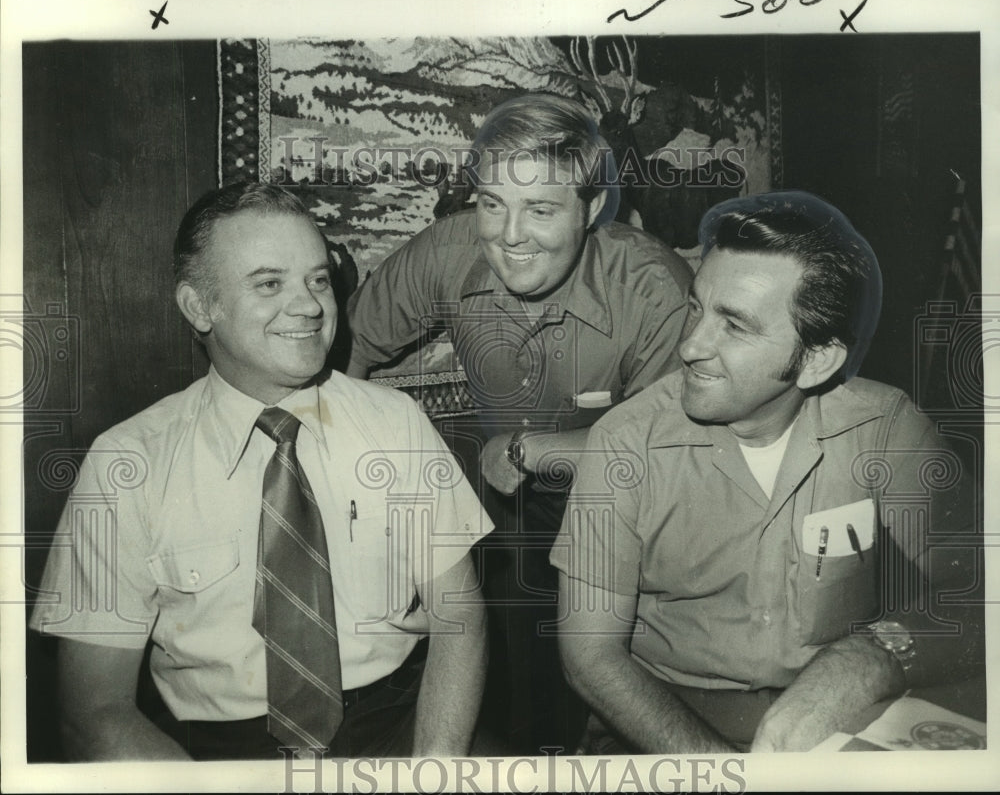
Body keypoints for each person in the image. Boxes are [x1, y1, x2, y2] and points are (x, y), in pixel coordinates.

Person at [29, 182, 491, 761]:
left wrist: (434, 770)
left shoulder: (395, 422)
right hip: (218, 757)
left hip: (400, 728)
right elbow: (94, 714)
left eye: (317, 279)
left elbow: (460, 615)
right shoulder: (126, 463)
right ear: (201, 307)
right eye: (270, 283)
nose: (310, 306)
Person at [553, 190, 984, 753]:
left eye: (734, 325)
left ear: (815, 360)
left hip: (836, 717)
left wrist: (868, 660)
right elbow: (590, 659)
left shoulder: (886, 429)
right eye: (697, 308)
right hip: (663, 726)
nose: (690, 346)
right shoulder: (625, 443)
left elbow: (978, 595)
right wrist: (727, 774)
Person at [346, 93, 693, 752]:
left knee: (606, 682)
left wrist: (535, 449)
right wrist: (343, 488)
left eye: (540, 208)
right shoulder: (448, 252)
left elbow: (671, 453)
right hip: (505, 502)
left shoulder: (654, 289)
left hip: (633, 504)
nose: (509, 235)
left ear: (590, 209)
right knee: (504, 691)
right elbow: (351, 350)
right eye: (492, 204)